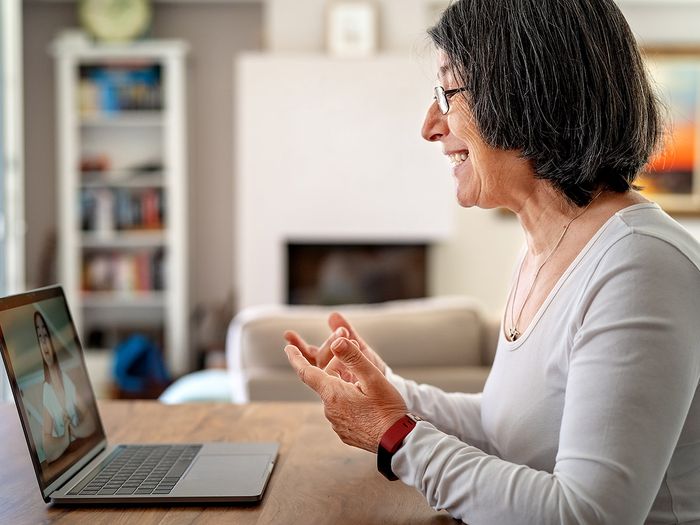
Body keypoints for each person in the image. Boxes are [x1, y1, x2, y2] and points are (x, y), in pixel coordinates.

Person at [282, 0, 700, 523]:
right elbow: (509, 428)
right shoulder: (544, 246)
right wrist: (386, 394)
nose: (430, 126)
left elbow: (589, 515)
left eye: (446, 94)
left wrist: (396, 436)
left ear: (529, 95)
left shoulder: (641, 267)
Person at [37, 311, 95, 462]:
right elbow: (47, 446)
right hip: (68, 456)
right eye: (40, 337)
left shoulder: (67, 380)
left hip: (82, 450)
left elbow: (90, 421)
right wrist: (66, 438)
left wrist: (74, 430)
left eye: (46, 336)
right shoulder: (47, 391)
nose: (44, 343)